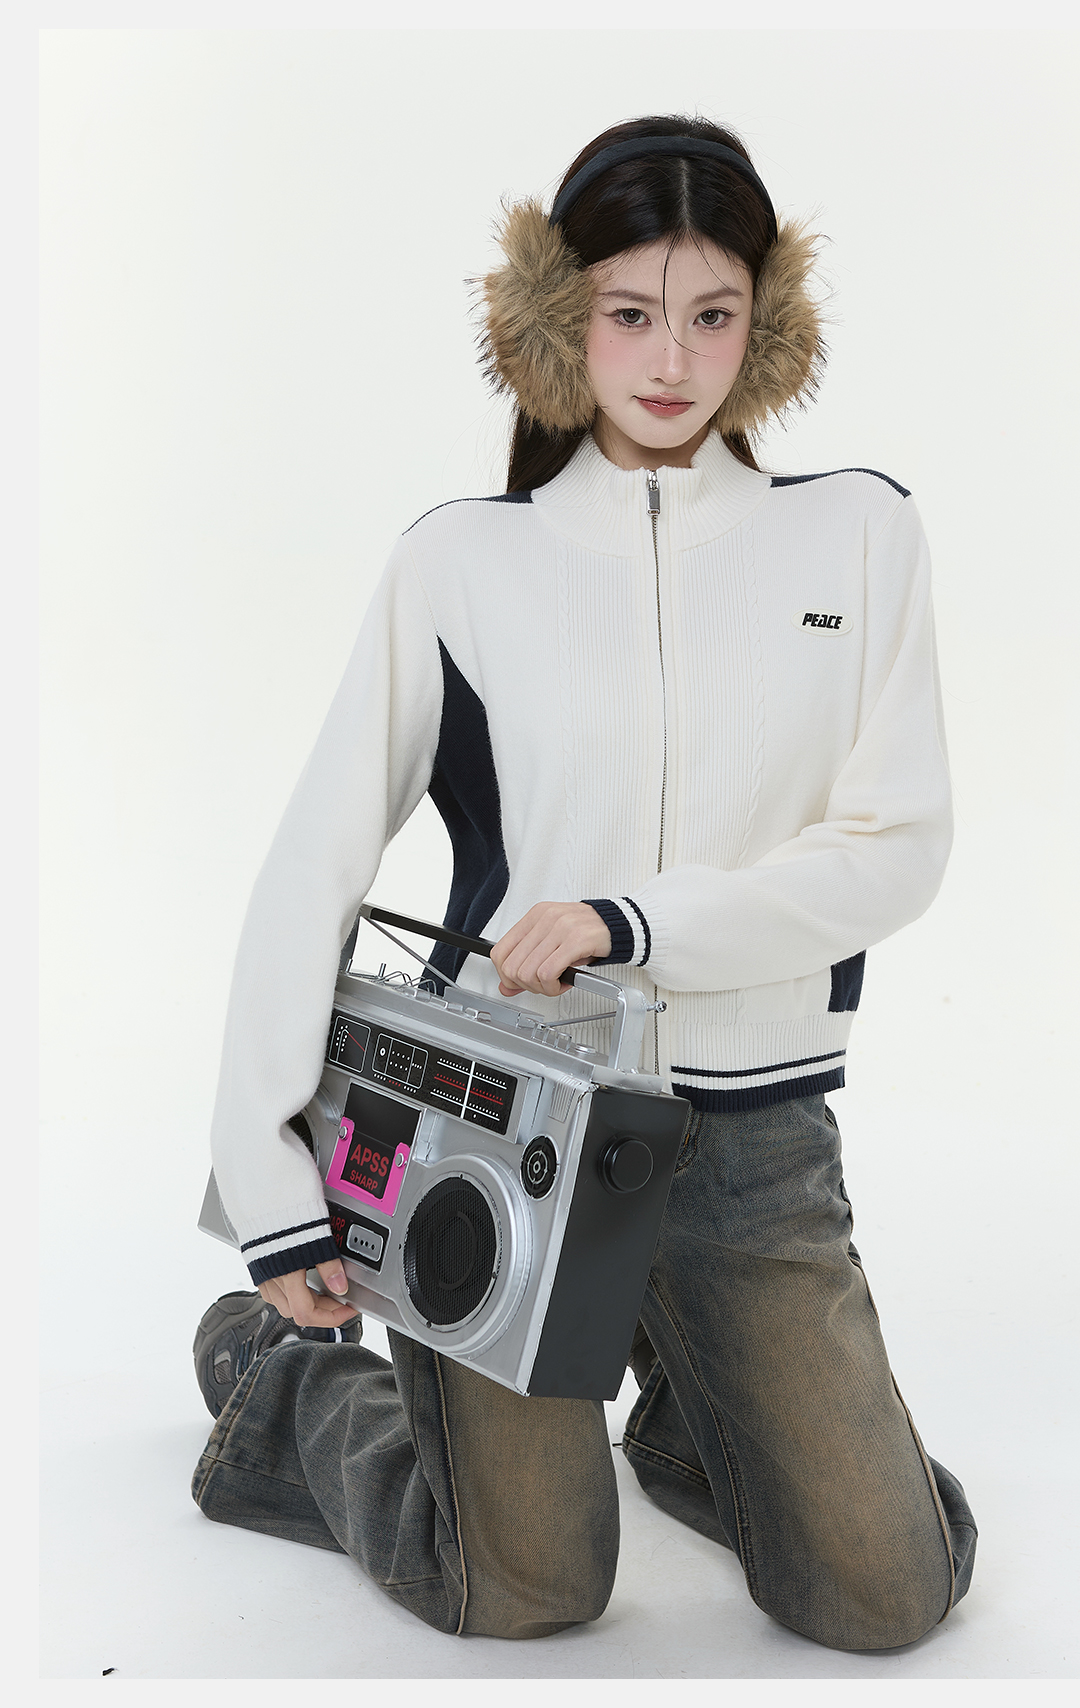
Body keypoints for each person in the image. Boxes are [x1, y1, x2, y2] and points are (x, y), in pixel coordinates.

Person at [191, 114, 977, 1652]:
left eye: (713, 314)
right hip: (504, 1132)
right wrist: (272, 1182)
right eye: (630, 313)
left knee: (886, 1596)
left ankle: (701, 1419)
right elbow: (316, 858)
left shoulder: (860, 536)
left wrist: (636, 925)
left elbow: (898, 845)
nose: (672, 361)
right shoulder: (460, 563)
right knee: (527, 1590)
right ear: (563, 316)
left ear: (765, 324)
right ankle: (286, 1398)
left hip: (752, 1141)